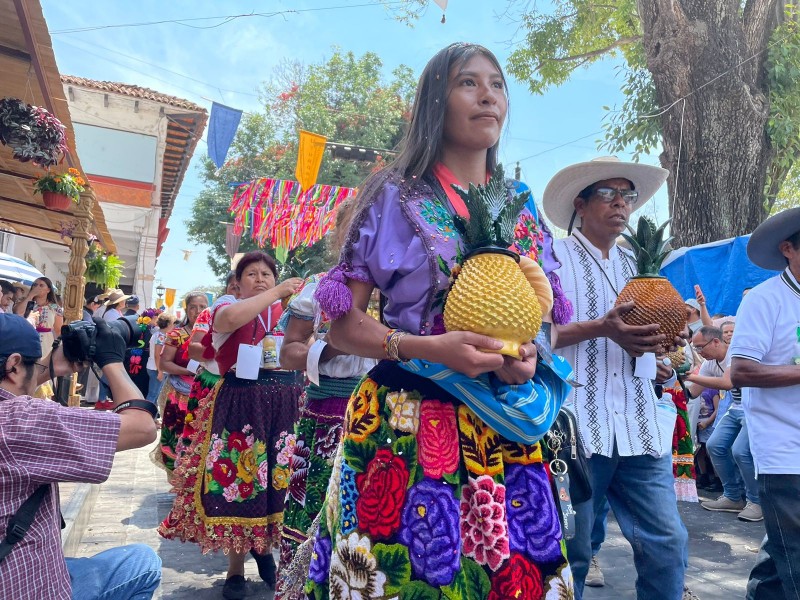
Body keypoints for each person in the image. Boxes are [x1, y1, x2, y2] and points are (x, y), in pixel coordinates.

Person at [306, 43, 575, 599]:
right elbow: (343, 327)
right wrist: (429, 348)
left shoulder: (521, 205)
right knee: (407, 581)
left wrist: (528, 356)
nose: (487, 95)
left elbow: (540, 320)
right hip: (406, 420)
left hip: (503, 430)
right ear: (436, 101)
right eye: (467, 83)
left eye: (497, 84)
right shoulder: (395, 195)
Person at [542, 156, 690, 600]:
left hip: (640, 424)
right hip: (575, 428)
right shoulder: (553, 260)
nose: (620, 204)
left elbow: (660, 338)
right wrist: (601, 327)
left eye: (627, 196)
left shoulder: (640, 266)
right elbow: (535, 334)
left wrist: (667, 343)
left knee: (668, 542)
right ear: (581, 205)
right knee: (575, 549)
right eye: (608, 194)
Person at [158, 253, 302, 600]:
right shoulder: (228, 308)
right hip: (240, 402)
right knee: (240, 482)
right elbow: (226, 325)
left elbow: (304, 349)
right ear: (238, 283)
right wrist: (277, 290)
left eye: (266, 273)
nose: (260, 278)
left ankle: (266, 553)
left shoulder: (292, 315)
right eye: (251, 274)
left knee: (277, 483)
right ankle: (235, 568)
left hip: (282, 405)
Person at [0, 312, 161, 599]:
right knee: (142, 563)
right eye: (31, 364)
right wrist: (112, 359)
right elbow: (143, 427)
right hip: (25, 586)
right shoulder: (19, 422)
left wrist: (51, 366)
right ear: (13, 365)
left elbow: (13, 388)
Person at [274, 201, 379, 600]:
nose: (366, 235)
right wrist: (333, 346)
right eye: (356, 226)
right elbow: (288, 354)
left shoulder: (404, 288)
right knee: (312, 511)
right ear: (339, 234)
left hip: (385, 415)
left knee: (370, 519)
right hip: (324, 415)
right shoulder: (318, 287)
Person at [729, 206, 800, 599]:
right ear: (788, 248)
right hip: (784, 455)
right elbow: (740, 372)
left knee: (780, 560)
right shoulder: (764, 300)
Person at [684, 326, 762, 521]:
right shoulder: (710, 363)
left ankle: (757, 502)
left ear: (716, 342)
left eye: (701, 348)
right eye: (696, 349)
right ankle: (733, 496)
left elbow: (728, 383)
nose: (699, 353)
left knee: (740, 451)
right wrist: (672, 380)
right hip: (736, 407)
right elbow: (693, 391)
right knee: (714, 445)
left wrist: (690, 375)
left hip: (755, 407)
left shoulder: (734, 355)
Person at [152, 291, 208, 474]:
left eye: (202, 307)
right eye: (193, 307)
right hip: (178, 393)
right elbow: (165, 363)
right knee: (177, 436)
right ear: (186, 309)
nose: (197, 311)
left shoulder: (216, 334)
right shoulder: (177, 334)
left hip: (206, 393)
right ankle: (177, 479)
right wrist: (189, 371)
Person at [13, 276, 63, 358]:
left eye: (41, 285)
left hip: (46, 342)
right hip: (26, 338)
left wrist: (58, 347)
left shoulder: (55, 307)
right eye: (35, 285)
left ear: (48, 290)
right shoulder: (24, 301)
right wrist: (31, 295)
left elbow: (58, 329)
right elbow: (18, 313)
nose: (37, 287)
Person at [146, 312, 174, 404]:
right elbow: (158, 355)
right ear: (168, 324)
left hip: (154, 367)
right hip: (156, 369)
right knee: (153, 394)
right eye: (172, 323)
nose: (173, 325)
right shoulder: (161, 336)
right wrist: (160, 371)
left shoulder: (158, 334)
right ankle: (147, 415)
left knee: (154, 394)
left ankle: (151, 415)